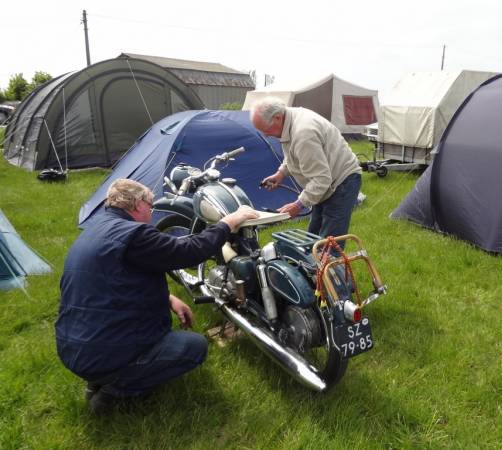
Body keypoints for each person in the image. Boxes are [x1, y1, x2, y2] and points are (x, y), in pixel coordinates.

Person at [55, 179, 258, 414]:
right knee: (194, 347)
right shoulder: (135, 234)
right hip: (102, 350)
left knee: (148, 341)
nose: (151, 214)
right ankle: (114, 392)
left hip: (73, 345)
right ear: (138, 204)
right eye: (150, 206)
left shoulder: (97, 230)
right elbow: (188, 252)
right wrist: (229, 222)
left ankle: (99, 378)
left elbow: (116, 280)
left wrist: (169, 298)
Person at [251, 97, 362, 241]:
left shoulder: (303, 133)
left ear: (277, 117)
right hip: (325, 181)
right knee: (313, 239)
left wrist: (298, 205)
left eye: (265, 130)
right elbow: (294, 153)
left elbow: (322, 179)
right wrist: (281, 173)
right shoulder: (287, 119)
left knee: (329, 246)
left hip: (341, 181)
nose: (265, 135)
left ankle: (332, 263)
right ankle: (314, 262)